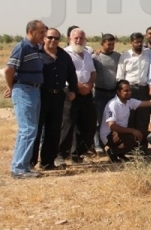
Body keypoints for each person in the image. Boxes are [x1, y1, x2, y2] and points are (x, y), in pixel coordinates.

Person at [4, 20, 46, 178]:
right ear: (31, 31)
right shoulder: (22, 47)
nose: (44, 35)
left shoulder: (36, 48)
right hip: (24, 90)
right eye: (41, 32)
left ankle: (24, 165)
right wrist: (12, 86)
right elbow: (9, 70)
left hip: (34, 90)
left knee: (31, 129)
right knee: (28, 129)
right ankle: (19, 168)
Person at [31, 28, 77, 170]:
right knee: (36, 129)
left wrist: (73, 90)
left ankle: (47, 162)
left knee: (54, 130)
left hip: (58, 96)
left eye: (56, 38)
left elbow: (71, 73)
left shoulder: (64, 55)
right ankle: (30, 163)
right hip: (41, 95)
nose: (53, 40)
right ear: (44, 38)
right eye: (50, 37)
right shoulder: (36, 53)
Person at [58, 28, 97, 164]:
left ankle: (77, 154)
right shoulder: (64, 54)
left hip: (87, 93)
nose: (79, 40)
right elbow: (65, 74)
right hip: (71, 92)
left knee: (89, 123)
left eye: (81, 38)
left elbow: (93, 72)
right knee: (68, 125)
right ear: (70, 39)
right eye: (76, 38)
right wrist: (80, 86)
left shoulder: (87, 54)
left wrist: (89, 85)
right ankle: (60, 155)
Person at [116, 32, 151, 151]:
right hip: (129, 90)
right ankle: (131, 147)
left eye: (140, 42)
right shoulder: (125, 56)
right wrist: (122, 92)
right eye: (136, 42)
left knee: (143, 118)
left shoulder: (148, 53)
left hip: (143, 89)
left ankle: (142, 147)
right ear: (131, 42)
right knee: (129, 118)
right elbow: (120, 75)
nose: (139, 44)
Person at [99, 80, 151, 162]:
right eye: (126, 91)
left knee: (147, 135)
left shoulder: (129, 101)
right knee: (135, 136)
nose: (129, 92)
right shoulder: (113, 104)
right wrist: (132, 131)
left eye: (130, 90)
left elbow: (148, 103)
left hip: (122, 133)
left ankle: (120, 153)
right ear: (118, 92)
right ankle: (113, 151)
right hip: (110, 135)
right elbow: (112, 126)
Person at [92, 33, 121, 153]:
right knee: (99, 119)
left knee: (113, 119)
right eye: (109, 44)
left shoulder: (118, 56)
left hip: (113, 93)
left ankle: (112, 143)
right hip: (99, 92)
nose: (111, 47)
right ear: (102, 44)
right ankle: (98, 145)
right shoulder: (95, 57)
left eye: (113, 44)